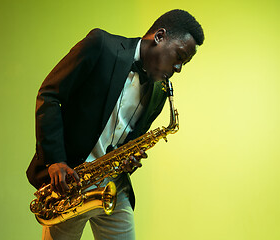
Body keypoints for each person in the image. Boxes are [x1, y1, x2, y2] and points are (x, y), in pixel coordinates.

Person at [27, 9, 204, 240]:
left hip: (113, 187)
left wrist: (129, 160)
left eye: (184, 64)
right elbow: (50, 95)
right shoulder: (101, 46)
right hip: (71, 185)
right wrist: (55, 161)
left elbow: (129, 139)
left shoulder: (160, 93)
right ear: (160, 36)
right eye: (179, 57)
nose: (179, 68)